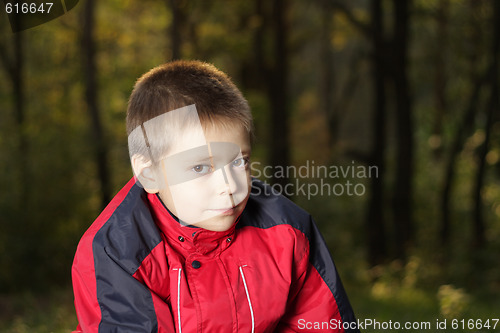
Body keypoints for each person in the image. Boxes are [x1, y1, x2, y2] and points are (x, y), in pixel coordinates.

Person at [72, 60, 359, 332]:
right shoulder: (118, 251)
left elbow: (322, 322)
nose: (229, 186)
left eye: (240, 162)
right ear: (149, 174)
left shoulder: (288, 230)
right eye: (200, 167)